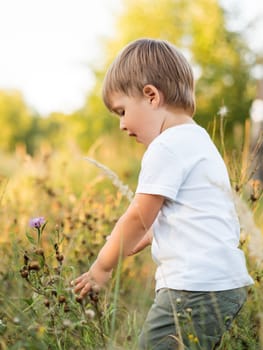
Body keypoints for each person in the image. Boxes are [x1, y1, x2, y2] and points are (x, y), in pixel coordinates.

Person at [72, 38, 254, 349]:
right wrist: (152, 233)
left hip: (192, 287)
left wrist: (102, 266)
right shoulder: (198, 140)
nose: (122, 125)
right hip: (222, 284)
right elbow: (193, 209)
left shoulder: (166, 147)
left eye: (121, 111)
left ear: (151, 96)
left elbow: (137, 216)